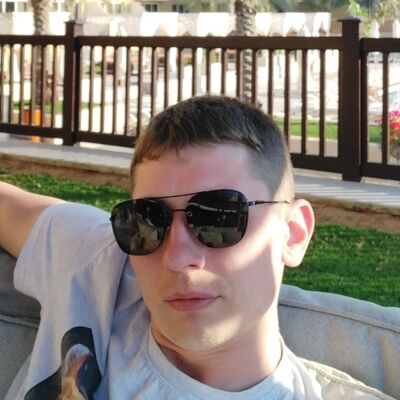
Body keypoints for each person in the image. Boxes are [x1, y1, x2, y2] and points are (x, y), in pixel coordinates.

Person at [0, 96, 391, 399]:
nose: (177, 256)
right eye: (148, 220)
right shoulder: (101, 261)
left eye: (218, 218)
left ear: (293, 233)